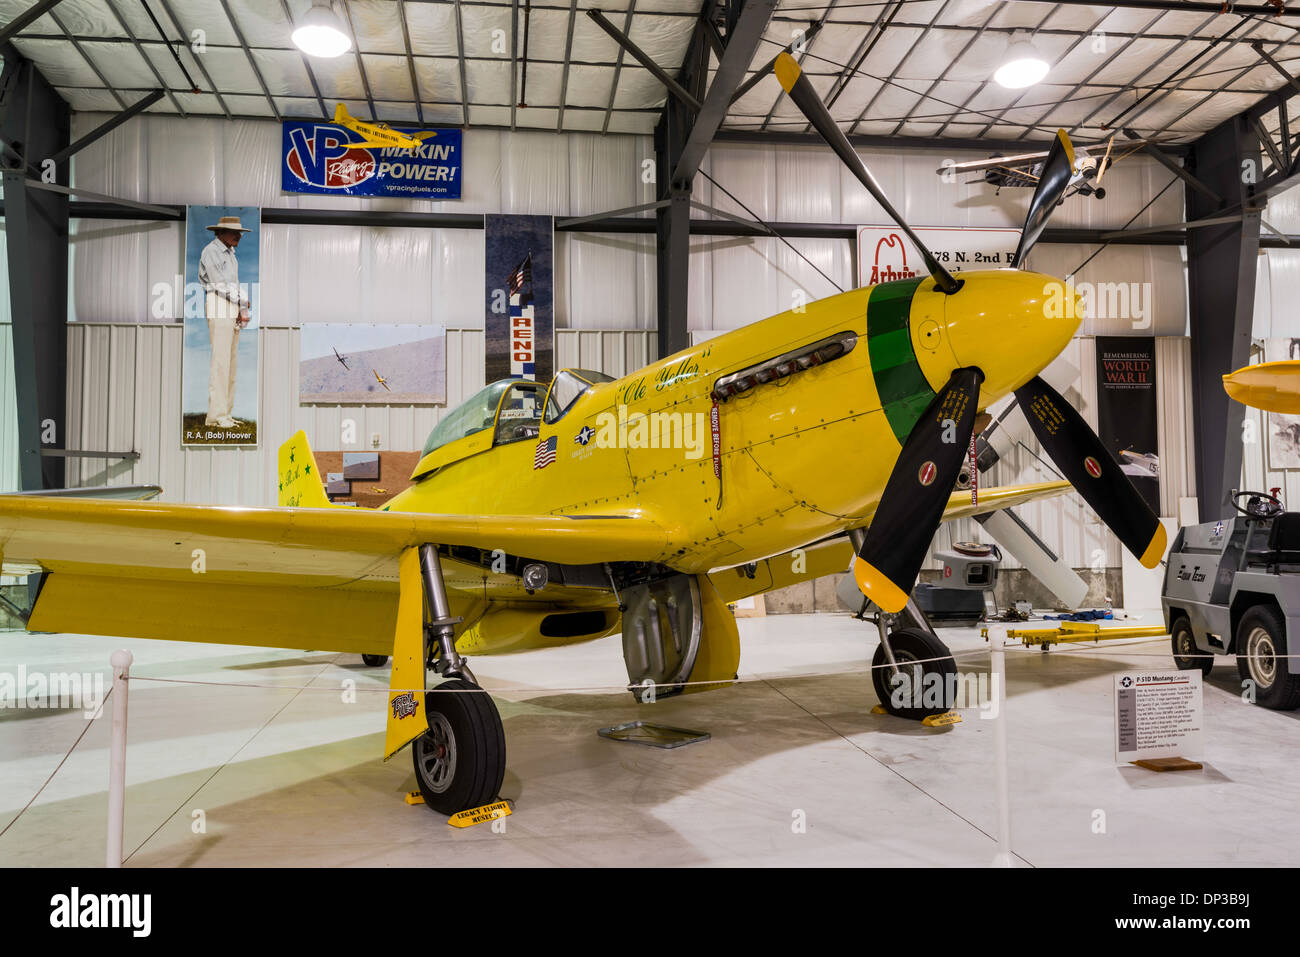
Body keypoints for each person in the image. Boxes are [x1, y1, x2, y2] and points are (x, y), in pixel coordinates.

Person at [198, 215, 252, 428]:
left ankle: (225, 413)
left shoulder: (231, 254)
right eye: (234, 232)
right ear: (220, 233)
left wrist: (241, 308)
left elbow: (233, 284)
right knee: (221, 361)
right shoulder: (211, 251)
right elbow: (219, 284)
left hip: (230, 303)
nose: (239, 236)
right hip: (219, 302)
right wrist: (243, 302)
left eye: (239, 233)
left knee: (230, 362)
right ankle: (216, 416)